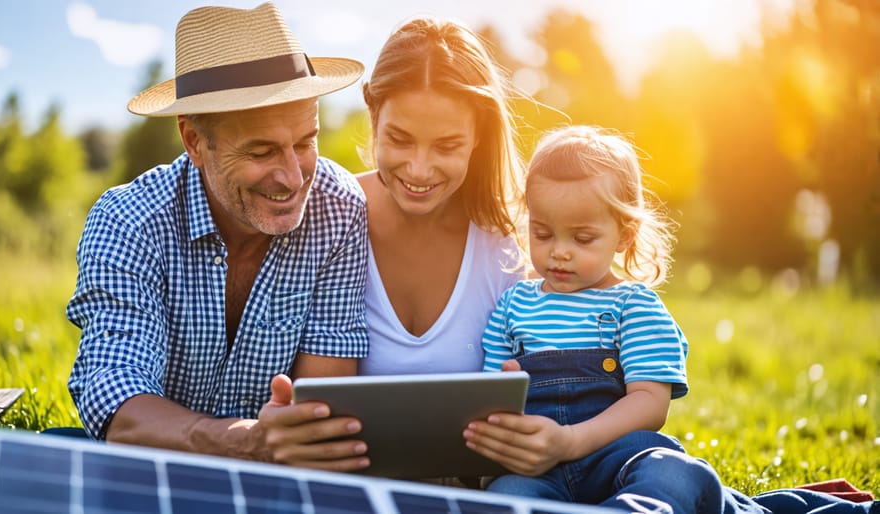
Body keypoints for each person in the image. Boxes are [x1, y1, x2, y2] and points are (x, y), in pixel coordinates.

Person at [464, 125, 878, 513]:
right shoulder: (512, 304)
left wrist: (572, 441)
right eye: (542, 233)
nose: (559, 251)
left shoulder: (633, 305)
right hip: (540, 469)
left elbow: (650, 403)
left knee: (673, 472)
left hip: (621, 455)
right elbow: (489, 396)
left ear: (623, 235)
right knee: (505, 496)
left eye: (583, 237)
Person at [65, 2, 373, 473]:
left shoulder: (338, 209)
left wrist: (290, 442)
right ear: (193, 142)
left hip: (280, 478)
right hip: (152, 468)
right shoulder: (128, 221)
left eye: (305, 142)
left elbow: (320, 418)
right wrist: (243, 443)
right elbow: (117, 402)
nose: (293, 177)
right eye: (262, 150)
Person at [356, 16, 525, 376]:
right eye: (400, 140)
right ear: (373, 113)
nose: (419, 169)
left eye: (447, 146)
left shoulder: (510, 246)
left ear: (479, 135)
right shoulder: (330, 213)